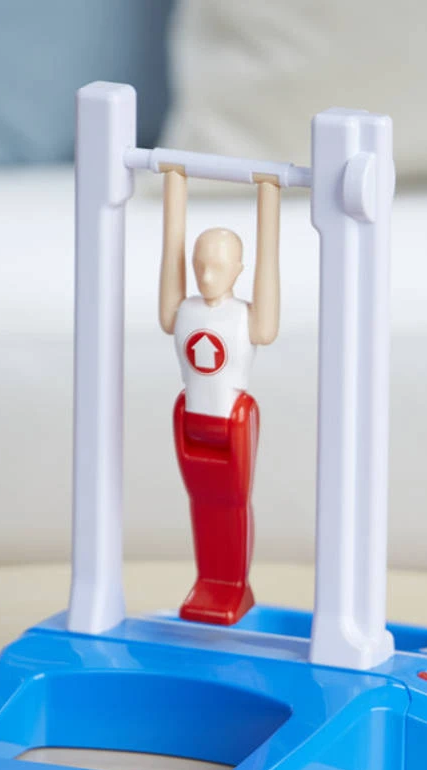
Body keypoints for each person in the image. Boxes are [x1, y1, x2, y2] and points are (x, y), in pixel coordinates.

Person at [159, 165, 281, 625]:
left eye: (219, 266)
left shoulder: (249, 319)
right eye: (200, 266)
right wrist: (175, 182)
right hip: (189, 419)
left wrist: (269, 193)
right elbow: (172, 246)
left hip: (233, 420)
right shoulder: (181, 311)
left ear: (239, 270)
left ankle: (232, 584)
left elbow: (268, 260)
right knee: (200, 503)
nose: (207, 275)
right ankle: (207, 579)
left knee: (231, 505)